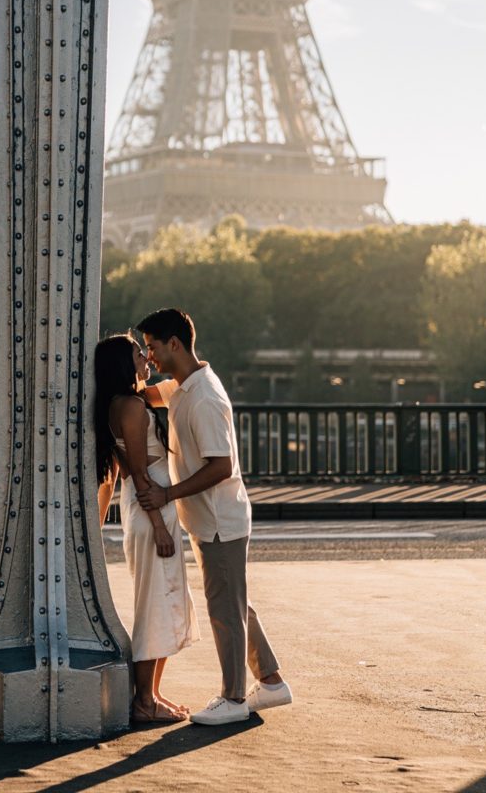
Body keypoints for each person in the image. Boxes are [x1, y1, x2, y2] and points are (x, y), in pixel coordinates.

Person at [136, 308, 292, 726]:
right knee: (234, 603)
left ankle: (234, 697)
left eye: (151, 348)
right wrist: (126, 373)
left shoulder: (203, 397)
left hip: (220, 520)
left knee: (225, 610)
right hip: (210, 520)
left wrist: (167, 493)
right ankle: (272, 682)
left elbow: (221, 466)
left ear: (174, 344)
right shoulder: (183, 387)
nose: (148, 357)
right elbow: (145, 394)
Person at [94, 333, 199, 724]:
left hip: (151, 508)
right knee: (155, 604)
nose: (147, 359)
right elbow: (138, 474)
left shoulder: (126, 402)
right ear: (125, 364)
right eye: (141, 354)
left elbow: (176, 385)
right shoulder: (132, 409)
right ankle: (143, 702)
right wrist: (159, 527)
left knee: (162, 600)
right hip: (151, 510)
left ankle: (151, 695)